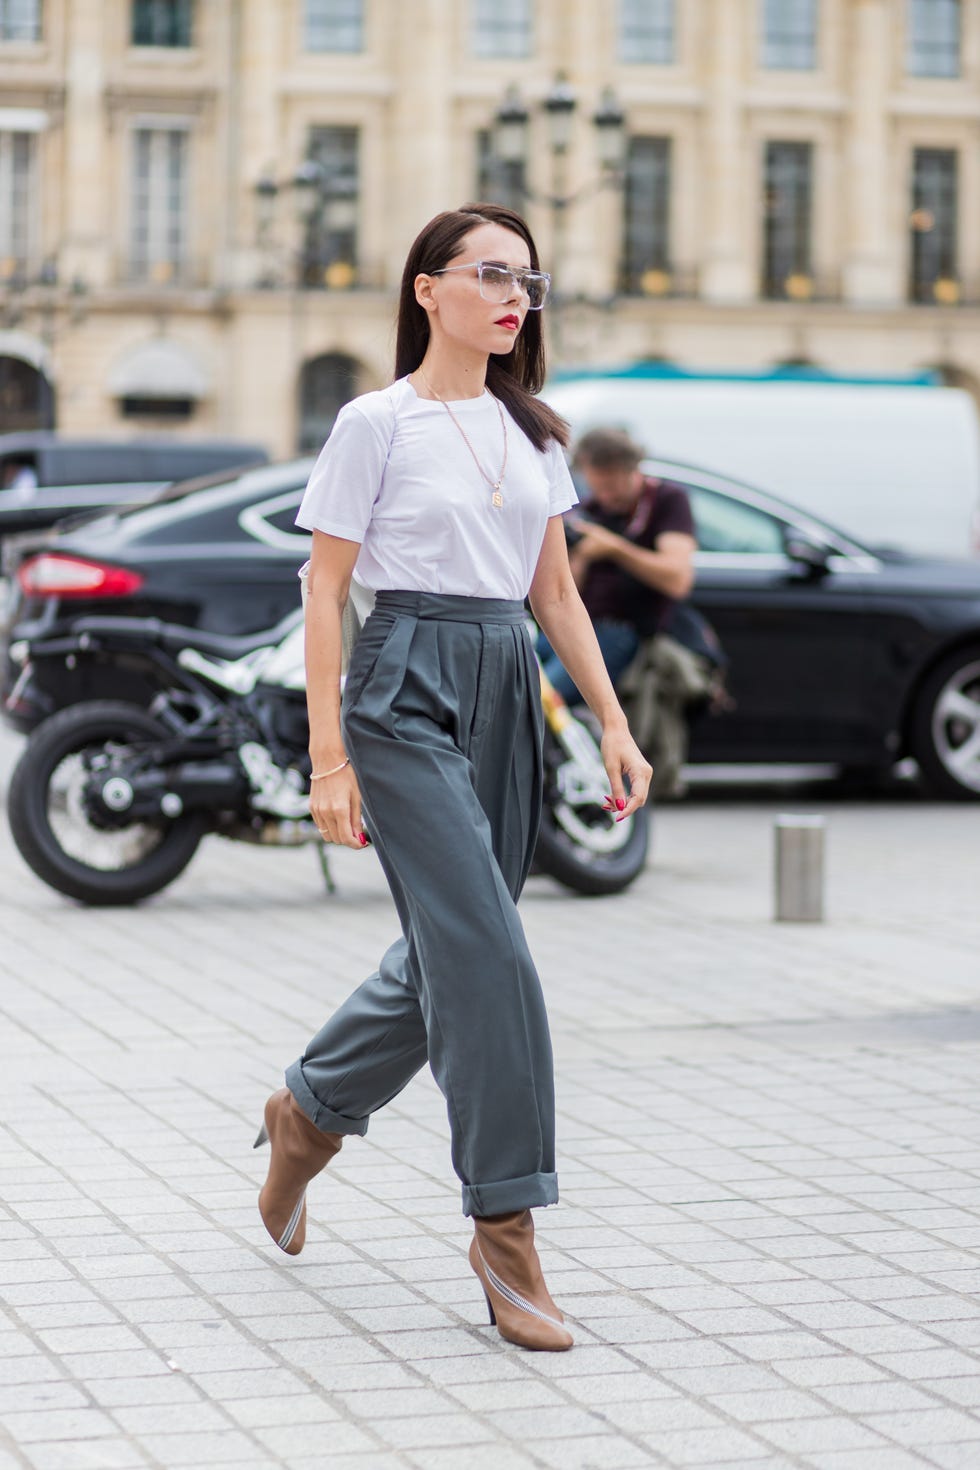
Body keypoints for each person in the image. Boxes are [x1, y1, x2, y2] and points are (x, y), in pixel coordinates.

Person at [254, 204, 651, 1353]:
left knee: (449, 951)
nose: (512, 294)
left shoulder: (534, 435)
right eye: (488, 273)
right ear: (426, 289)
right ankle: (505, 1228)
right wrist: (328, 755)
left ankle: (306, 1115)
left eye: (526, 278)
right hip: (402, 682)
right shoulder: (372, 424)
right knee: (486, 952)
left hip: (503, 680)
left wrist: (610, 725)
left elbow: (557, 596)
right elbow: (323, 591)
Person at [537, 427, 697, 705]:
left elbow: (677, 579)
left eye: (611, 488)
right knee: (516, 681)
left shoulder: (667, 501)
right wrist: (581, 556)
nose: (606, 497)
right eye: (597, 488)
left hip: (626, 631)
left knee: (545, 702)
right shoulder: (590, 510)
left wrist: (614, 549)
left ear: (632, 470)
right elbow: (561, 590)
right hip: (580, 624)